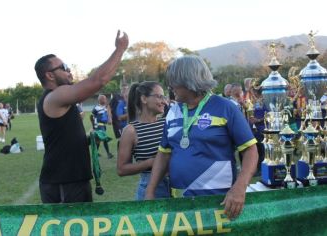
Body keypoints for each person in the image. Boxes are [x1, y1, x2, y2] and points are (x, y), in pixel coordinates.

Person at [145, 55, 258, 220]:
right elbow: (164, 153)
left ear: (190, 80)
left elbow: (250, 150)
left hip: (219, 202)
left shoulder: (226, 107)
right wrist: (150, 191)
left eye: (174, 81)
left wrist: (240, 187)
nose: (170, 86)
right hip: (180, 201)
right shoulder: (173, 112)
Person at [34, 30, 128, 203]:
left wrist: (87, 139)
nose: (69, 70)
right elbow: (97, 81)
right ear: (49, 75)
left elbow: (62, 137)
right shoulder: (55, 96)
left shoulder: (60, 98)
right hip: (63, 181)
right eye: (64, 67)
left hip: (71, 178)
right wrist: (120, 50)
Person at [117, 82, 171, 200]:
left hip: (176, 185)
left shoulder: (168, 122)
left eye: (164, 97)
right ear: (144, 99)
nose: (164, 101)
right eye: (159, 96)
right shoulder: (131, 131)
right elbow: (121, 169)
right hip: (151, 189)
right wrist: (151, 162)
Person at [91, 94, 114, 159]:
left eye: (105, 99)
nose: (105, 100)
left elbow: (108, 114)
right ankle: (108, 154)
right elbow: (91, 116)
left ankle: (95, 153)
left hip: (103, 126)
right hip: (99, 126)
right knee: (104, 139)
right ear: (99, 100)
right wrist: (94, 126)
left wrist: (109, 119)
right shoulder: (96, 108)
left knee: (98, 140)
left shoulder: (106, 107)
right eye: (103, 99)